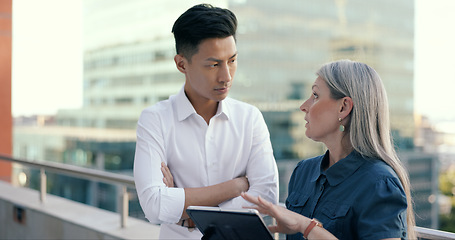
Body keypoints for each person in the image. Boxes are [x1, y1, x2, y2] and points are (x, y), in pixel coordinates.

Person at [133, 4, 279, 239]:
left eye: (232, 60)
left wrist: (187, 212)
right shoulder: (155, 119)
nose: (227, 76)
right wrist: (236, 187)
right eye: (213, 64)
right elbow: (154, 204)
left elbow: (266, 199)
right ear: (182, 64)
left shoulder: (250, 118)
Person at [242, 59, 416, 240]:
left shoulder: (379, 183)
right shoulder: (303, 171)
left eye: (315, 95)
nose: (303, 106)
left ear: (344, 107)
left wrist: (306, 226)